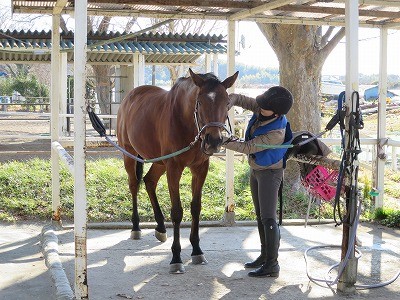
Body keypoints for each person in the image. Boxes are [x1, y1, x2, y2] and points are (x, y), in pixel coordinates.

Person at [223, 86, 293, 278]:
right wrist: (230, 99)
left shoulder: (276, 133)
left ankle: (272, 264)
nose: (259, 107)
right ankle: (264, 255)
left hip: (270, 173)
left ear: (276, 112)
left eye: (263, 106)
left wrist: (223, 141)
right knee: (260, 215)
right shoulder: (264, 107)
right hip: (256, 170)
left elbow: (248, 147)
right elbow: (244, 101)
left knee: (268, 218)